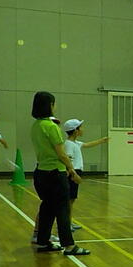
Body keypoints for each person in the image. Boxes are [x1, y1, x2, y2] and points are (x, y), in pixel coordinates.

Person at [30, 91, 89, 255]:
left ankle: (43, 241)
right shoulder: (51, 127)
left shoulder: (36, 126)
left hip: (41, 172)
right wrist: (72, 170)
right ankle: (69, 245)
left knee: (47, 207)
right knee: (63, 209)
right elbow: (61, 154)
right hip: (55, 173)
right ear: (50, 105)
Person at [63, 119, 109, 230]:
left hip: (75, 172)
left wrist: (102, 141)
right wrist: (73, 174)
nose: (82, 129)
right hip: (73, 173)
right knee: (69, 200)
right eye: (80, 127)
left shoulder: (75, 143)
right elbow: (68, 160)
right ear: (75, 131)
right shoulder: (69, 144)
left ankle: (69, 222)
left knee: (72, 200)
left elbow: (88, 144)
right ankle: (66, 224)